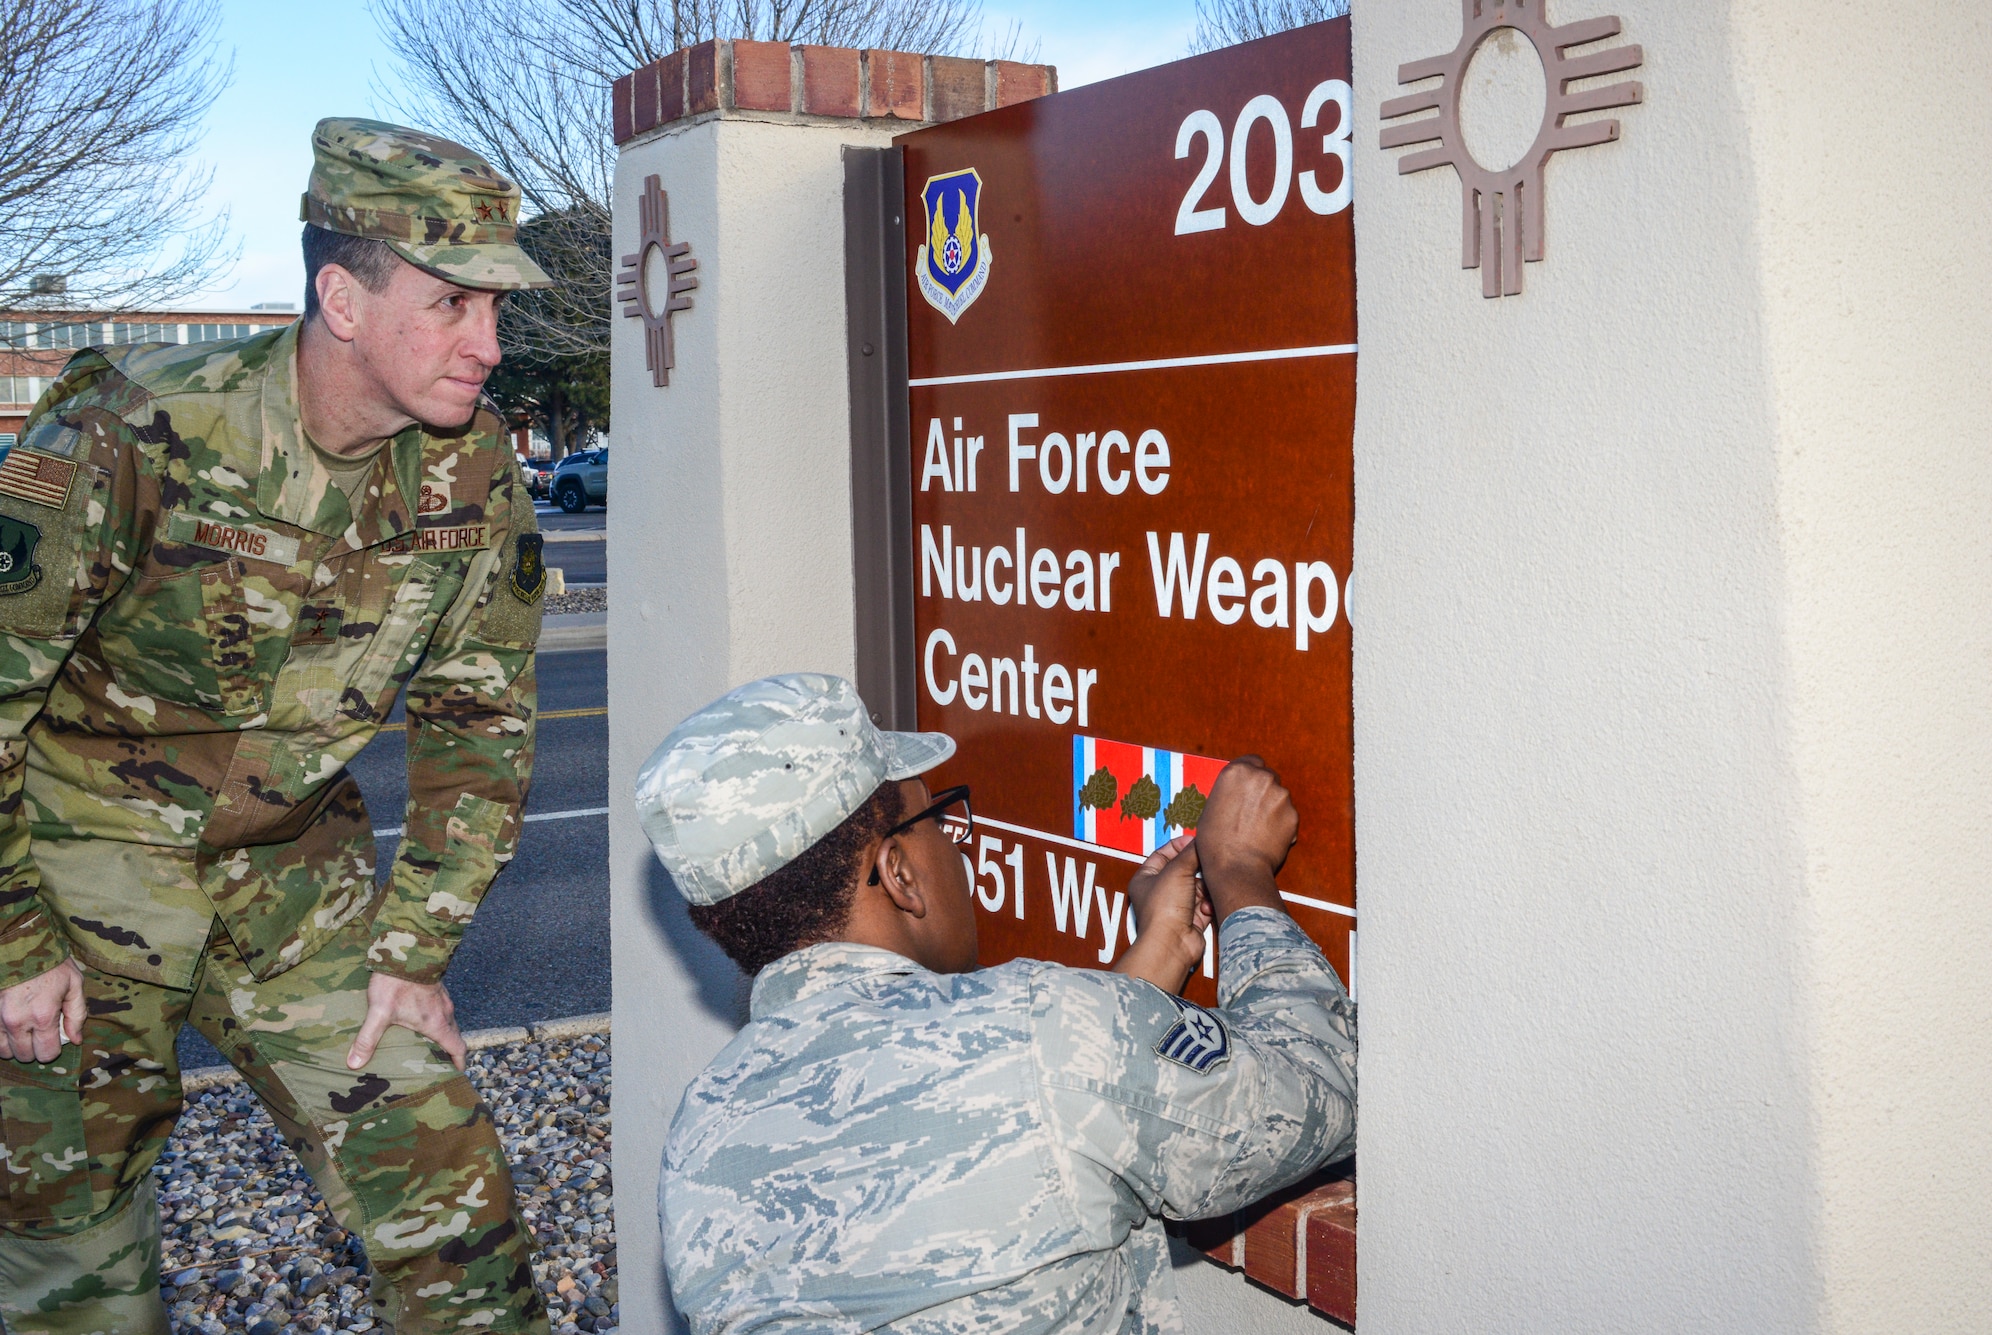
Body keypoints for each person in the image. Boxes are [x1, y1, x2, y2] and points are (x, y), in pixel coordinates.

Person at [0, 118, 553, 1333]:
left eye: (498, 311)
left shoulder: (474, 468)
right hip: (80, 863)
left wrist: (414, 950)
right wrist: (10, 940)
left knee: (447, 1195)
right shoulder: (137, 424)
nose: (489, 346)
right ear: (341, 298)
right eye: (455, 303)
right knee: (66, 1242)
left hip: (293, 878)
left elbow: (481, 711)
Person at [637, 673, 1358, 1333]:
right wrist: (1240, 873)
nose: (955, 849)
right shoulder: (1041, 1032)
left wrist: (1153, 961)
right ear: (898, 872)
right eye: (936, 820)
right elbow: (1322, 1080)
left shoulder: (700, 1141)